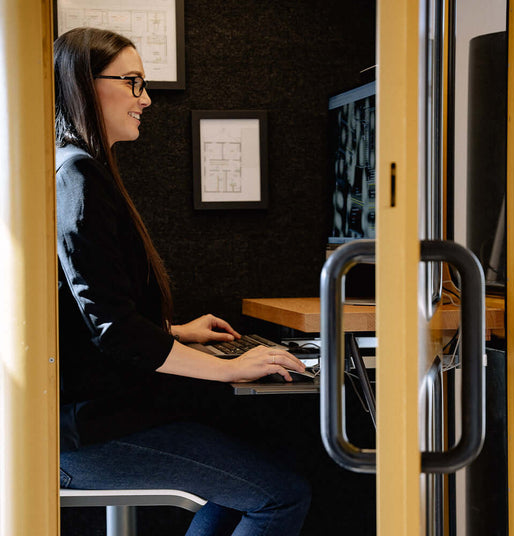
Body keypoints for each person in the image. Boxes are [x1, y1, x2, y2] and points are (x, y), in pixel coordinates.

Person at [55, 27, 311, 535]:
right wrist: (231, 370)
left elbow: (89, 315)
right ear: (84, 83)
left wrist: (173, 332)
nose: (145, 99)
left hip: (98, 417)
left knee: (263, 467)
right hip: (89, 436)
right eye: (131, 82)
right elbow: (113, 331)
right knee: (281, 496)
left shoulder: (77, 170)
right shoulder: (78, 178)